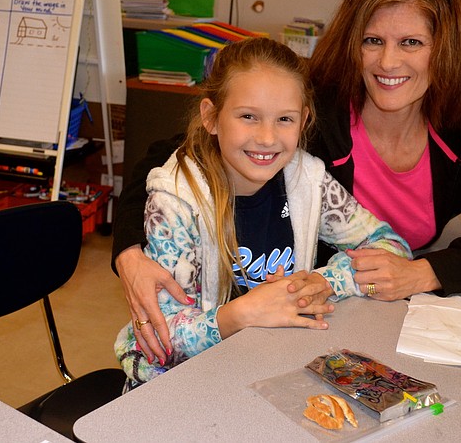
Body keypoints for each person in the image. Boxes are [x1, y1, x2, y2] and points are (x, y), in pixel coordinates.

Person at [113, 0, 461, 365]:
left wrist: (423, 272)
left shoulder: (458, 124)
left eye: (411, 42)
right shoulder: (309, 103)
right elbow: (177, 161)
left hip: (343, 313)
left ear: (444, 49)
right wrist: (129, 252)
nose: (388, 61)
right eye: (373, 41)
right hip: (267, 328)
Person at [114, 37, 411, 388]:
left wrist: (324, 282)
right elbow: (160, 343)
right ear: (211, 117)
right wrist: (239, 314)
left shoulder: (307, 178)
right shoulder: (176, 200)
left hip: (268, 368)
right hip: (181, 387)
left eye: (284, 119)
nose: (267, 138)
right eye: (249, 117)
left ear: (304, 121)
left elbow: (390, 246)